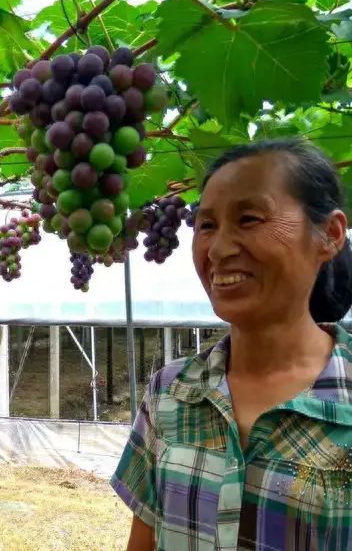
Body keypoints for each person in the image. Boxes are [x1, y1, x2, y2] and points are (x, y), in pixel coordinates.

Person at [112, 138, 352, 551]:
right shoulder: (169, 391)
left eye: (250, 219)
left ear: (329, 235)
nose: (219, 250)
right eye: (206, 226)